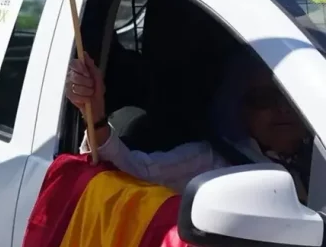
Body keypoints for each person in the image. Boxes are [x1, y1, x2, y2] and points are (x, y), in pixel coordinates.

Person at [66, 49, 311, 199]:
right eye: (264, 99)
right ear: (240, 106)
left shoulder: (316, 152)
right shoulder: (212, 161)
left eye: (292, 97)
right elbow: (131, 173)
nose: (282, 109)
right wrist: (96, 117)